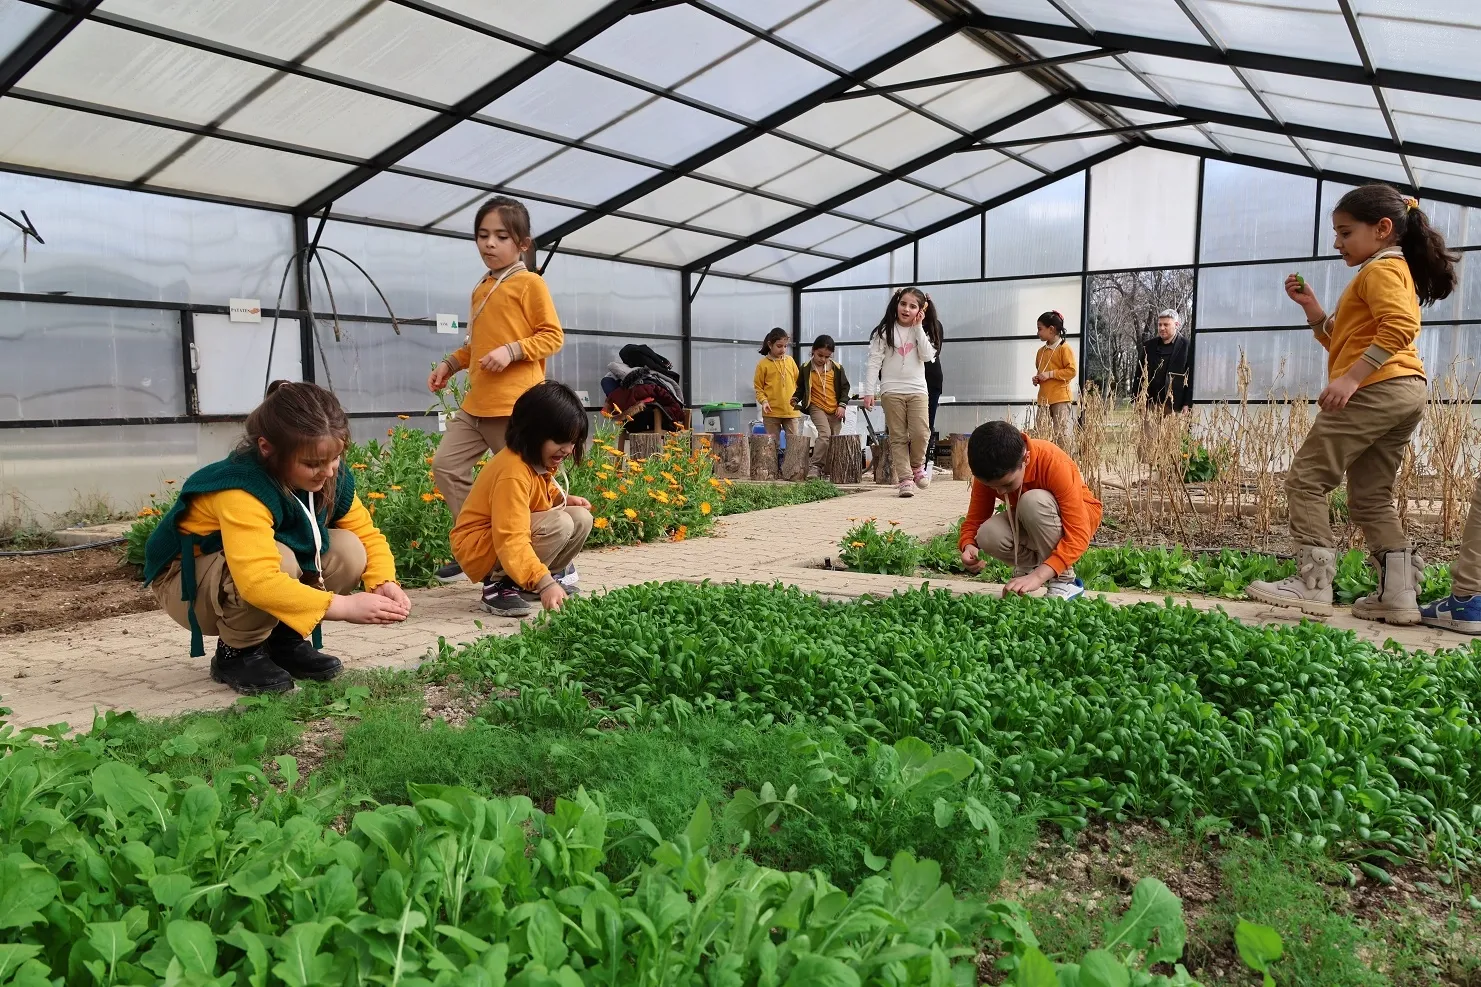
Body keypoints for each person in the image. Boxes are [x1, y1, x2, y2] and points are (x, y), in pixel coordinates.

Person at [1247, 185, 1457, 622]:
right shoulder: (1388, 270)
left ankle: (1312, 586)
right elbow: (1347, 342)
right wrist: (1313, 309)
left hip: (1377, 388)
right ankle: (1398, 594)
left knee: (1307, 478)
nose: (1337, 242)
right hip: (1404, 389)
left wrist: (1352, 379)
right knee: (1370, 497)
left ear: (1382, 229)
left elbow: (1401, 326)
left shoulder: (1381, 270)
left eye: (1345, 232)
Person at [142, 381, 412, 694]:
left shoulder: (328, 476)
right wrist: (345, 607)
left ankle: (283, 640)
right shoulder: (240, 488)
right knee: (280, 559)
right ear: (267, 448)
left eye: (335, 458)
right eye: (312, 463)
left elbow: (366, 534)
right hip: (186, 586)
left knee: (349, 549)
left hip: (236, 574)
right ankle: (237, 653)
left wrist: (383, 581)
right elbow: (258, 581)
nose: (328, 472)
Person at [427, 196, 564, 585]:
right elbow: (478, 345)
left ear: (523, 243)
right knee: (446, 466)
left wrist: (512, 351)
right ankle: (479, 547)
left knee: (527, 487)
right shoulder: (483, 286)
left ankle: (545, 559)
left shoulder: (530, 283)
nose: (489, 243)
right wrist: (450, 364)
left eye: (501, 236)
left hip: (514, 408)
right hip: (477, 405)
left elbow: (552, 336)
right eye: (482, 235)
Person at [451, 381, 595, 619]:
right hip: (482, 549)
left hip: (501, 539)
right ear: (533, 433)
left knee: (581, 518)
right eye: (560, 441)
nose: (568, 449)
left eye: (572, 442)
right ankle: (499, 585)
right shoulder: (513, 472)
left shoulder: (535, 459)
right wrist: (544, 583)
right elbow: (511, 536)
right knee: (559, 523)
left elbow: (536, 496)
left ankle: (532, 582)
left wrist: (562, 499)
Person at [958, 421, 1100, 600]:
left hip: (1078, 520)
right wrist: (968, 545)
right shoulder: (989, 470)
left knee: (1032, 501)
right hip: (1032, 519)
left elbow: (1078, 532)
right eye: (992, 487)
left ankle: (1065, 582)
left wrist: (1039, 577)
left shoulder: (1053, 462)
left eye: (1007, 484)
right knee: (987, 533)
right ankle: (1031, 568)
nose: (1000, 492)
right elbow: (975, 520)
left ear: (1026, 459)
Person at [864, 287, 939, 497]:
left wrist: (918, 328)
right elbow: (874, 362)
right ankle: (905, 479)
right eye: (903, 304)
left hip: (917, 389)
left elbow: (927, 357)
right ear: (896, 304)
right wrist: (869, 392)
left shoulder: (923, 330)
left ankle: (917, 466)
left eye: (912, 306)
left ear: (920, 310)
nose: (906, 309)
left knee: (921, 433)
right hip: (891, 390)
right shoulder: (884, 331)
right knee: (898, 436)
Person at [1137, 309, 1192, 459]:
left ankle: (1168, 468)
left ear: (1176, 325)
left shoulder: (1187, 346)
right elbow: (1139, 374)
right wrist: (1138, 399)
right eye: (1159, 324)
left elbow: (1191, 376)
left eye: (1166, 325)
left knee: (1172, 445)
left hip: (1174, 404)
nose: (1162, 328)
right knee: (1148, 446)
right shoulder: (1149, 346)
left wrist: (1187, 403)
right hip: (1151, 403)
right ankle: (1149, 469)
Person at [794, 333, 850, 480]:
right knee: (824, 435)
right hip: (816, 406)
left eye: (827, 357)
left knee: (833, 438)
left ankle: (828, 470)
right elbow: (801, 388)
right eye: (820, 355)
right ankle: (815, 466)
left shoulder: (837, 368)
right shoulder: (805, 368)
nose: (823, 359)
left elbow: (845, 388)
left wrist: (842, 405)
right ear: (813, 350)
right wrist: (795, 398)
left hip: (835, 409)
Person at [1032, 310, 1076, 449]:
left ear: (1051, 329)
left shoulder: (1064, 348)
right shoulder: (1041, 352)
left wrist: (1050, 374)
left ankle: (1064, 460)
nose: (1038, 332)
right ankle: (1044, 460)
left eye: (1040, 329)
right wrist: (1037, 378)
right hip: (1043, 399)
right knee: (1040, 433)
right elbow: (1041, 370)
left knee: (1061, 434)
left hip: (1060, 398)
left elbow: (1072, 371)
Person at [754, 327, 801, 456]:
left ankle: (792, 467)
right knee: (772, 445)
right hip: (771, 412)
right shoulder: (762, 364)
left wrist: (799, 398)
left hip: (791, 411)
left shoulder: (790, 361)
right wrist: (764, 401)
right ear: (770, 345)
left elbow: (799, 382)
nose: (783, 350)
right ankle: (773, 468)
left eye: (785, 346)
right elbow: (758, 388)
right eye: (779, 346)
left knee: (794, 443)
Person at [924, 307, 945, 467]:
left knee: (926, 424)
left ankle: (921, 464)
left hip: (930, 380)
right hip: (909, 382)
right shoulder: (900, 326)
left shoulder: (934, 325)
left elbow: (932, 353)